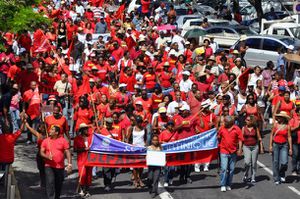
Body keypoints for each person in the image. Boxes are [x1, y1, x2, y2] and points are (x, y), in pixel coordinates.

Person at [40, 125, 72, 199]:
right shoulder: (46, 141)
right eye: (50, 129)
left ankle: (57, 197)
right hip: (49, 165)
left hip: (60, 166)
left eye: (52, 130)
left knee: (58, 184)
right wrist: (47, 156)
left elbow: (67, 152)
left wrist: (69, 164)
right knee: (50, 182)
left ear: (56, 132)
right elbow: (41, 152)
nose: (50, 131)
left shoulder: (63, 140)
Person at [218, 116, 243, 192]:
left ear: (230, 123)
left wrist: (240, 149)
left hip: (233, 152)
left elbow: (240, 139)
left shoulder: (237, 129)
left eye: (225, 122)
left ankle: (229, 184)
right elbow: (218, 137)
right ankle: (223, 184)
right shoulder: (222, 128)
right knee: (224, 169)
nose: (224, 123)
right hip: (224, 151)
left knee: (231, 169)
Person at [269, 111, 292, 185]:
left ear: (283, 118)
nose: (278, 118)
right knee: (275, 162)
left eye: (280, 117)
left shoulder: (287, 126)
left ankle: (281, 173)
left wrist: (290, 148)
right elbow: (271, 135)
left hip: (284, 145)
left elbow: (289, 137)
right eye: (278, 117)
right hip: (276, 144)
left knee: (284, 162)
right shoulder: (275, 125)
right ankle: (276, 178)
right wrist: (270, 145)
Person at [126, 115, 147, 188]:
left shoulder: (144, 129)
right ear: (135, 122)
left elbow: (145, 139)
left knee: (141, 166)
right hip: (134, 150)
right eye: (138, 122)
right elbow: (128, 139)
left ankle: (140, 179)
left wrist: (146, 146)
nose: (139, 123)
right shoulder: (132, 129)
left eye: (140, 122)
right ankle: (135, 181)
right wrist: (128, 147)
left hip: (142, 149)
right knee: (135, 166)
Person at [242, 115, 264, 184]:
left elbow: (259, 138)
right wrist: (239, 148)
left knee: (254, 163)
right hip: (246, 147)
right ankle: (245, 175)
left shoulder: (255, 128)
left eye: (248, 120)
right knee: (247, 162)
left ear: (252, 121)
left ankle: (253, 177)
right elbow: (241, 139)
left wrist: (261, 148)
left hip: (255, 147)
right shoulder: (243, 128)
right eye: (246, 120)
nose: (246, 121)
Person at [25, 121, 47, 188]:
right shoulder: (38, 135)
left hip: (46, 156)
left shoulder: (49, 136)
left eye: (42, 127)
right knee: (41, 170)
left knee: (47, 170)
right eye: (40, 127)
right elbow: (30, 129)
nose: (40, 128)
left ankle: (47, 183)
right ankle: (43, 183)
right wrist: (26, 123)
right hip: (39, 155)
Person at [74, 123, 92, 197]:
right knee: (82, 174)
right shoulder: (77, 138)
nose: (87, 130)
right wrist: (84, 149)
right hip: (81, 159)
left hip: (90, 159)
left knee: (88, 175)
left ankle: (87, 190)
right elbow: (75, 149)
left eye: (87, 128)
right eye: (85, 129)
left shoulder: (91, 137)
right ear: (81, 130)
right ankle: (81, 190)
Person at [159, 120, 178, 187]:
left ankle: (170, 178)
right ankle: (166, 181)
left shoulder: (175, 133)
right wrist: (163, 143)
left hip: (173, 154)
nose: (170, 126)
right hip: (165, 154)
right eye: (169, 125)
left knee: (172, 169)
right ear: (167, 126)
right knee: (166, 169)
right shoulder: (163, 133)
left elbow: (178, 142)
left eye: (172, 125)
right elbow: (159, 141)